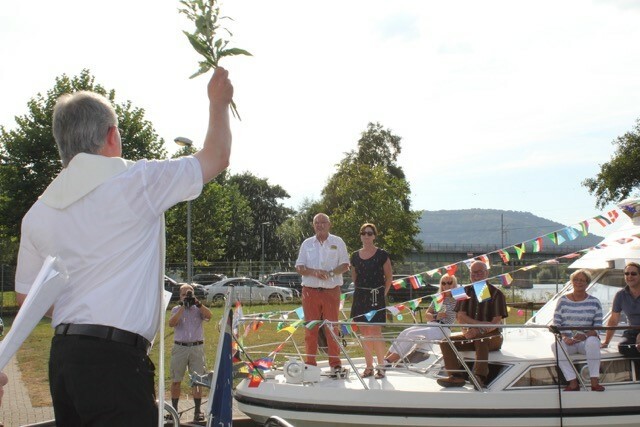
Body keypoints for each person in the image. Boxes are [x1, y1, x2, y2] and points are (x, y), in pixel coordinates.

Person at [14, 67, 233, 425]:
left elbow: (27, 300)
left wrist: (81, 310)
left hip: (63, 359)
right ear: (112, 135)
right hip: (115, 362)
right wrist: (218, 103)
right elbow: (216, 156)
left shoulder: (38, 212)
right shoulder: (136, 182)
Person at [437, 261, 508, 388]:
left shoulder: (497, 294)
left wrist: (479, 330)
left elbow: (496, 322)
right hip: (471, 334)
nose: (476, 275)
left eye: (479, 272)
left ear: (487, 273)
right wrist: (470, 328)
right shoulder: (463, 291)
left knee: (481, 339)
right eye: (473, 273)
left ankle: (479, 377)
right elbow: (460, 316)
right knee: (445, 342)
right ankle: (456, 376)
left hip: (493, 337)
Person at [295, 213, 350, 373]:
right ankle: (310, 364)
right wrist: (314, 272)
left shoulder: (338, 242)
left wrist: (330, 274)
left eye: (323, 222)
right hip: (309, 292)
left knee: (332, 328)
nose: (320, 225)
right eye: (317, 222)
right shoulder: (307, 243)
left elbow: (345, 265)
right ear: (313, 225)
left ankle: (335, 364)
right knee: (310, 329)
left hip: (331, 292)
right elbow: (299, 267)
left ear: (329, 224)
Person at [349, 223, 393, 379]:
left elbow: (389, 277)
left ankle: (381, 366)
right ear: (360, 236)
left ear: (374, 236)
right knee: (364, 332)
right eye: (363, 233)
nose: (366, 236)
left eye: (369, 233)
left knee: (375, 332)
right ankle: (369, 367)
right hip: (360, 297)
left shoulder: (382, 254)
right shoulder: (354, 256)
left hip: (376, 297)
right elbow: (355, 278)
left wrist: (381, 295)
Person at [386, 274, 458, 365]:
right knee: (405, 332)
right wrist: (435, 316)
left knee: (411, 334)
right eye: (443, 283)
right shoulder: (438, 298)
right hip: (431, 325)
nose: (446, 285)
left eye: (449, 282)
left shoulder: (458, 299)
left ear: (454, 284)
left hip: (443, 328)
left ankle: (387, 361)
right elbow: (427, 314)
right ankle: (385, 359)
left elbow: (461, 313)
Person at [551, 269, 604, 392]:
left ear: (587, 283)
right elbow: (556, 324)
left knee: (593, 341)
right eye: (575, 280)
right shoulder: (562, 301)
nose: (578, 282)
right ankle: (573, 382)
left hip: (585, 343)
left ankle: (594, 382)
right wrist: (565, 337)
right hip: (569, 342)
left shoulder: (594, 302)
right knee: (555, 346)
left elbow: (598, 327)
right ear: (571, 282)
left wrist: (585, 336)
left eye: (582, 280)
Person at [169, 284, 212, 422]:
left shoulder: (198, 309)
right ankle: (174, 411)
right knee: (176, 380)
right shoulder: (176, 309)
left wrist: (197, 303)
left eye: (189, 294)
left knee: (197, 380)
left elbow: (209, 316)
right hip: (180, 347)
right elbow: (171, 323)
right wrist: (183, 306)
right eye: (183, 295)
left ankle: (198, 411)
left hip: (196, 347)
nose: (186, 297)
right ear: (180, 296)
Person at [602, 262, 640, 356]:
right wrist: (606, 342)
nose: (629, 276)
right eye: (626, 273)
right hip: (632, 332)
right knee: (624, 347)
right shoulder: (620, 295)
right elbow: (614, 320)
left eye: (633, 274)